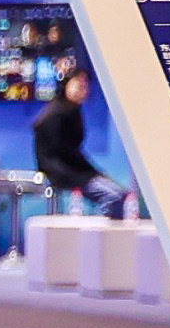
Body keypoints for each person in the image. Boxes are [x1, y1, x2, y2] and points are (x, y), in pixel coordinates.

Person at [34, 64, 127, 215]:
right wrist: (90, 175)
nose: (82, 90)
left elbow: (74, 152)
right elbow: (64, 153)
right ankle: (105, 229)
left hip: (74, 170)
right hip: (61, 172)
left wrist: (95, 173)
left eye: (85, 86)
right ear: (66, 84)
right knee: (113, 195)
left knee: (119, 192)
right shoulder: (56, 114)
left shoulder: (72, 110)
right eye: (79, 84)